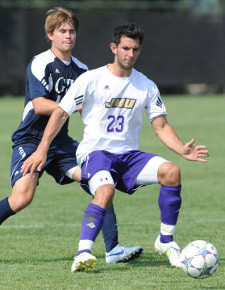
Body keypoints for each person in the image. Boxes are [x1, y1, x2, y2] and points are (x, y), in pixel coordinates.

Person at [21, 23, 209, 272]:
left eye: (135, 49)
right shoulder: (90, 79)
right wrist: (43, 148)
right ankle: (83, 252)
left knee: (171, 172)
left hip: (128, 155)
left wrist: (182, 150)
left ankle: (166, 241)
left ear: (140, 51)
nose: (130, 54)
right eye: (125, 48)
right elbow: (60, 114)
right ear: (114, 48)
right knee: (105, 190)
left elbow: (161, 126)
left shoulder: (146, 85)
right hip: (95, 154)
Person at [0, 8, 143, 264]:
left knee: (100, 181)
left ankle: (113, 250)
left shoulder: (82, 70)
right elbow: (39, 104)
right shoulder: (40, 62)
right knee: (22, 198)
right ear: (50, 34)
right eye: (62, 31)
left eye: (71, 31)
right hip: (31, 140)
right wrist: (71, 107)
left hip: (63, 144)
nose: (68, 35)